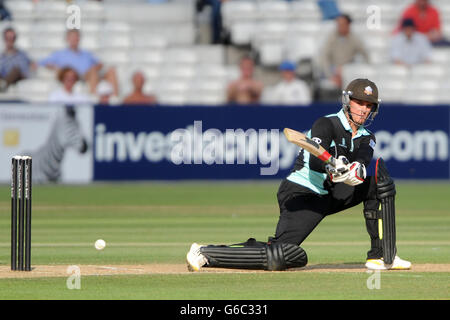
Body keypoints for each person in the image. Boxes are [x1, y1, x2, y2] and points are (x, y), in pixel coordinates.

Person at [186, 78, 412, 272]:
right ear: (347, 101)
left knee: (380, 182)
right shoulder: (326, 123)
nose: (363, 109)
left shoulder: (367, 136)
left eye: (369, 105)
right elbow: (315, 159)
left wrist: (356, 170)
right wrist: (334, 167)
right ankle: (206, 252)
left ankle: (382, 254)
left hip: (331, 192)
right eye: (359, 102)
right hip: (302, 193)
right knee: (282, 254)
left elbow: (363, 158)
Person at [39, 29, 119, 96]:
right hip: (73, 76)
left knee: (111, 71)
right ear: (67, 39)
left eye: (76, 37)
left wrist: (94, 68)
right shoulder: (60, 54)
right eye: (72, 37)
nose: (74, 39)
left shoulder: (86, 54)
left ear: (79, 39)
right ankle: (94, 98)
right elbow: (43, 62)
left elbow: (100, 64)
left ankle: (115, 100)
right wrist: (54, 67)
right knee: (93, 73)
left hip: (87, 75)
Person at [319, 14, 369, 89]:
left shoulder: (354, 39)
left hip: (349, 71)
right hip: (333, 70)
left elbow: (365, 53)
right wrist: (330, 75)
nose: (340, 27)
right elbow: (324, 57)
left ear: (348, 25)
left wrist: (364, 70)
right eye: (338, 24)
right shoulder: (331, 38)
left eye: (342, 24)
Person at [0, 27, 35, 91]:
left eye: (12, 38)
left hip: (18, 78)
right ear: (4, 39)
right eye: (7, 38)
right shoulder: (1, 56)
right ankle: (3, 84)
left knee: (16, 70)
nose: (10, 40)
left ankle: (3, 85)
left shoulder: (22, 55)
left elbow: (25, 71)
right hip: (3, 78)